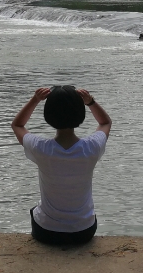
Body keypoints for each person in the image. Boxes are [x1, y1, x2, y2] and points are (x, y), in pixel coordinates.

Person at [11, 85, 112, 245]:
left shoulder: (40, 148)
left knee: (35, 209)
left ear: (48, 116)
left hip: (47, 232)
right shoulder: (91, 147)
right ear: (81, 115)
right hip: (84, 231)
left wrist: (35, 100)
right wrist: (91, 102)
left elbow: (17, 125)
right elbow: (105, 122)